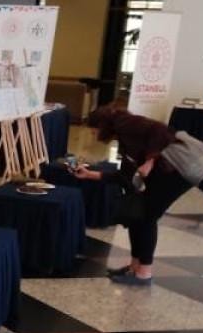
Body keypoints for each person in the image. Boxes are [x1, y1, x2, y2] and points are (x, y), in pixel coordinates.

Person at [71, 104, 191, 285]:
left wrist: (150, 161)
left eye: (94, 130)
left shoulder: (125, 123)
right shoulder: (123, 137)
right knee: (136, 216)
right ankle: (134, 266)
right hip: (161, 176)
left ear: (102, 125)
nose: (94, 135)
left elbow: (160, 130)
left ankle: (144, 273)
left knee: (147, 217)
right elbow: (124, 177)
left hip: (174, 176)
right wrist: (90, 174)